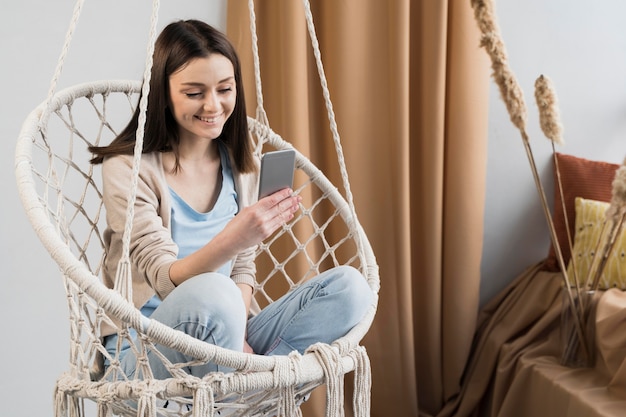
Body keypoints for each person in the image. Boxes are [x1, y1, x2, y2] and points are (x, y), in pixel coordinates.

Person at [89, 19, 372, 379]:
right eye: (194, 93)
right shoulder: (128, 168)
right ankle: (244, 386)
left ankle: (247, 386)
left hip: (227, 334)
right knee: (214, 292)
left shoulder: (240, 166)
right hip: (142, 351)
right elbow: (162, 278)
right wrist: (236, 237)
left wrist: (236, 337)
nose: (213, 105)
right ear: (162, 93)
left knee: (350, 288)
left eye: (225, 89)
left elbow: (242, 269)